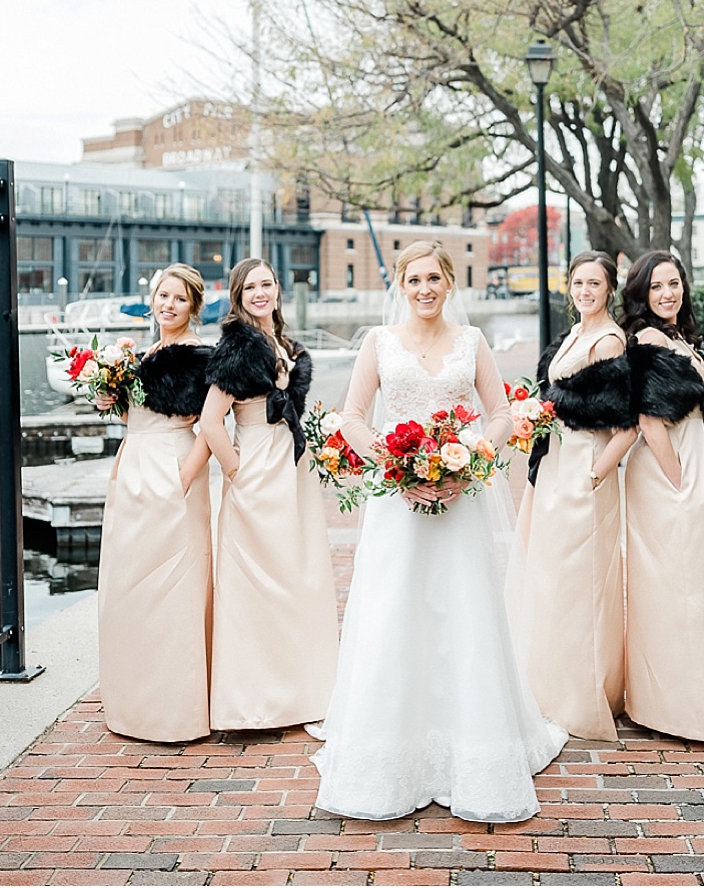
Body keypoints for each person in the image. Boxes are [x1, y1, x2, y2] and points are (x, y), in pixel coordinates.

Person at [310, 241, 567, 823]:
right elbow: (352, 416)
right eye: (414, 279)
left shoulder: (472, 344)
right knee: (393, 612)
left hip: (460, 499)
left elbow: (501, 415)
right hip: (396, 503)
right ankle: (385, 753)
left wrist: (470, 460)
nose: (424, 289)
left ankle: (474, 747)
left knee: (464, 610)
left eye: (434, 278)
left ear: (450, 282)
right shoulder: (378, 344)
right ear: (400, 285)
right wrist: (392, 467)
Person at [620, 251, 704, 742]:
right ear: (642, 294)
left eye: (673, 284)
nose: (667, 294)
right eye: (656, 287)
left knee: (701, 583)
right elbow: (649, 419)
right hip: (669, 468)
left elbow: (685, 402)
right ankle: (678, 707)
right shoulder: (648, 340)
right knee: (682, 586)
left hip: (696, 456)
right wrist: (678, 479)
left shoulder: (677, 336)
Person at [200, 258, 338, 731]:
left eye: (267, 284)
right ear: (238, 295)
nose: (260, 292)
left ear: (278, 289)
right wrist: (237, 471)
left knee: (297, 576)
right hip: (257, 466)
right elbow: (209, 421)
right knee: (260, 582)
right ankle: (257, 699)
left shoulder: (284, 344)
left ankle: (300, 689)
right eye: (250, 287)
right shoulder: (239, 347)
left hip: (290, 465)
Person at [516, 251, 636, 741]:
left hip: (584, 469)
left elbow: (626, 426)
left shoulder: (608, 340)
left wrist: (592, 476)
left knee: (579, 583)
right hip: (556, 465)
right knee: (551, 580)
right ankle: (549, 685)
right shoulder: (575, 333)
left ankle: (583, 694)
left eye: (594, 283)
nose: (584, 291)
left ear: (609, 289)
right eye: (577, 282)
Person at [96, 263, 213, 742]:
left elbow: (211, 425)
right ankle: (135, 702)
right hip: (133, 468)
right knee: (130, 585)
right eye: (163, 295)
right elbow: (135, 416)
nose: (168, 304)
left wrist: (182, 477)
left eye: (179, 298)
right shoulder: (140, 355)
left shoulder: (201, 358)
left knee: (175, 584)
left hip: (173, 467)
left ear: (193, 307)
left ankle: (176, 709)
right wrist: (111, 399)